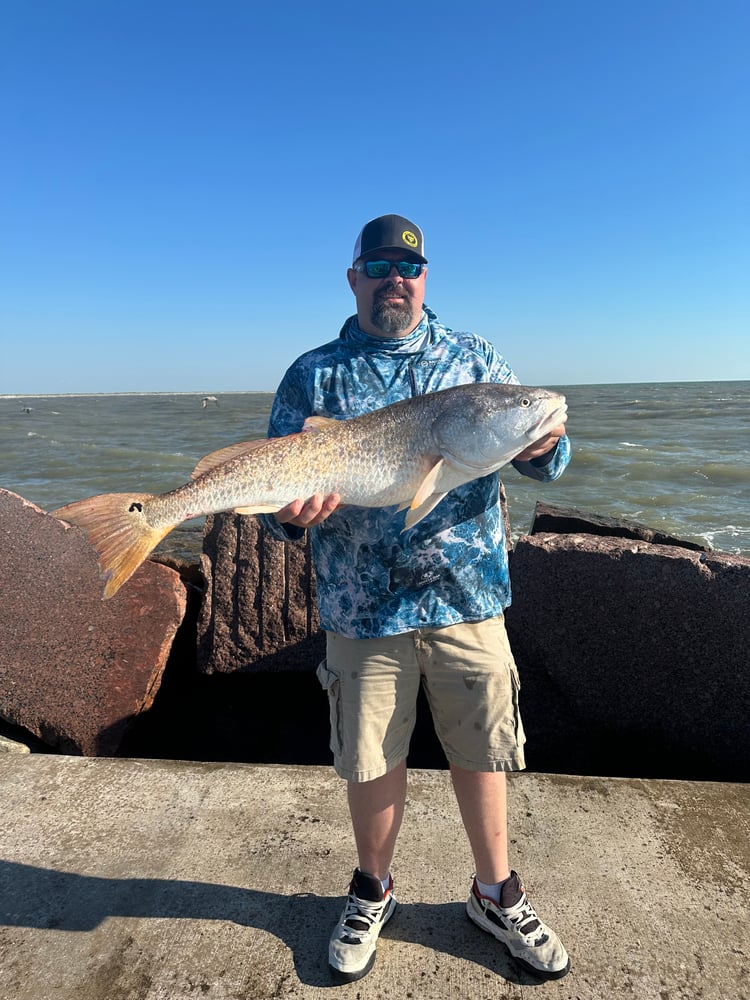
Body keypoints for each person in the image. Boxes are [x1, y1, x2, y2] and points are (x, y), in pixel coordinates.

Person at [261, 214, 571, 984]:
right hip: (362, 609)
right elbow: (274, 491)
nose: (395, 277)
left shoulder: (475, 362)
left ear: (424, 278)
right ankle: (373, 891)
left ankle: (495, 894)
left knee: (483, 749)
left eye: (410, 266)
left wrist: (544, 441)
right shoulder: (315, 375)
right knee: (370, 759)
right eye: (379, 265)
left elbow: (549, 460)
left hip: (467, 596)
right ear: (355, 278)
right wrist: (288, 513)